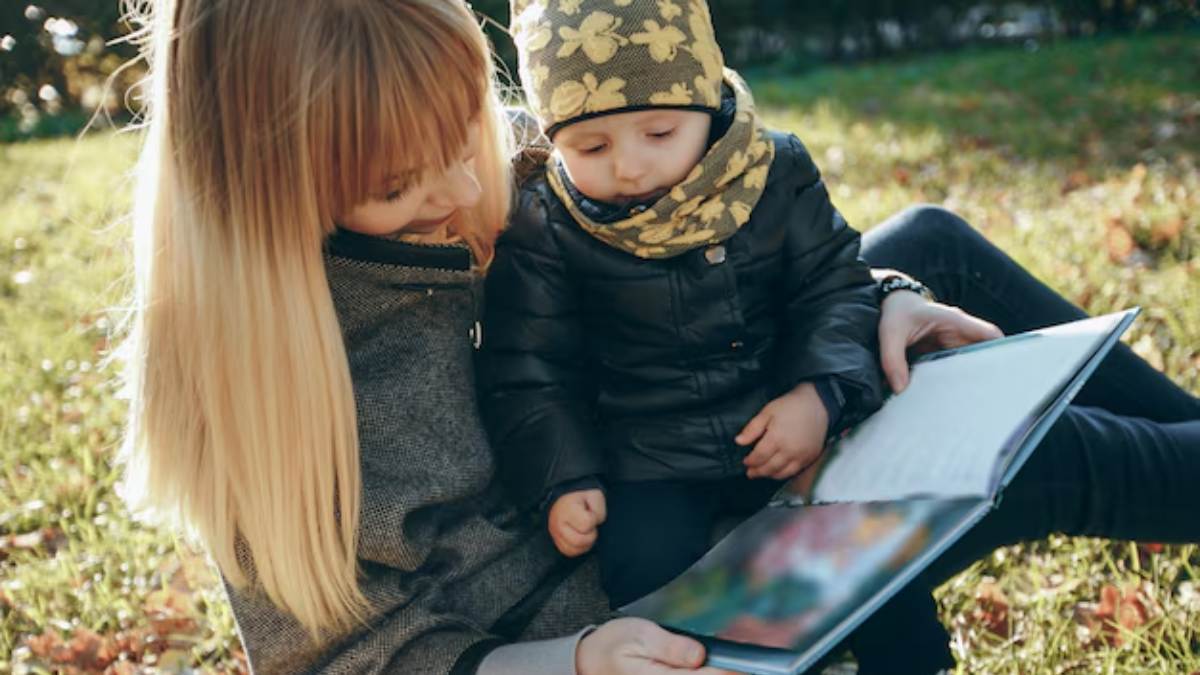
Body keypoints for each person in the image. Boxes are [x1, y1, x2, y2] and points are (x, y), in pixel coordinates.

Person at [116, 0, 1200, 673]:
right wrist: (577, 657)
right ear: (270, 199)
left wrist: (879, 297)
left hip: (723, 432)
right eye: (398, 187)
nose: (464, 186)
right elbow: (347, 662)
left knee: (931, 243)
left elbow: (702, 272)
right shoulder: (277, 391)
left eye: (466, 133)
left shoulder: (536, 177)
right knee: (1040, 455)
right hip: (662, 584)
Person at [480, 0, 886, 614]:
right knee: (646, 582)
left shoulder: (772, 172)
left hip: (785, 427)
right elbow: (530, 368)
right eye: (590, 147)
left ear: (706, 103)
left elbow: (834, 287)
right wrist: (565, 478)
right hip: (648, 462)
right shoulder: (547, 224)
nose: (630, 165)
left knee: (870, 561)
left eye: (661, 133)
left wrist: (820, 394)